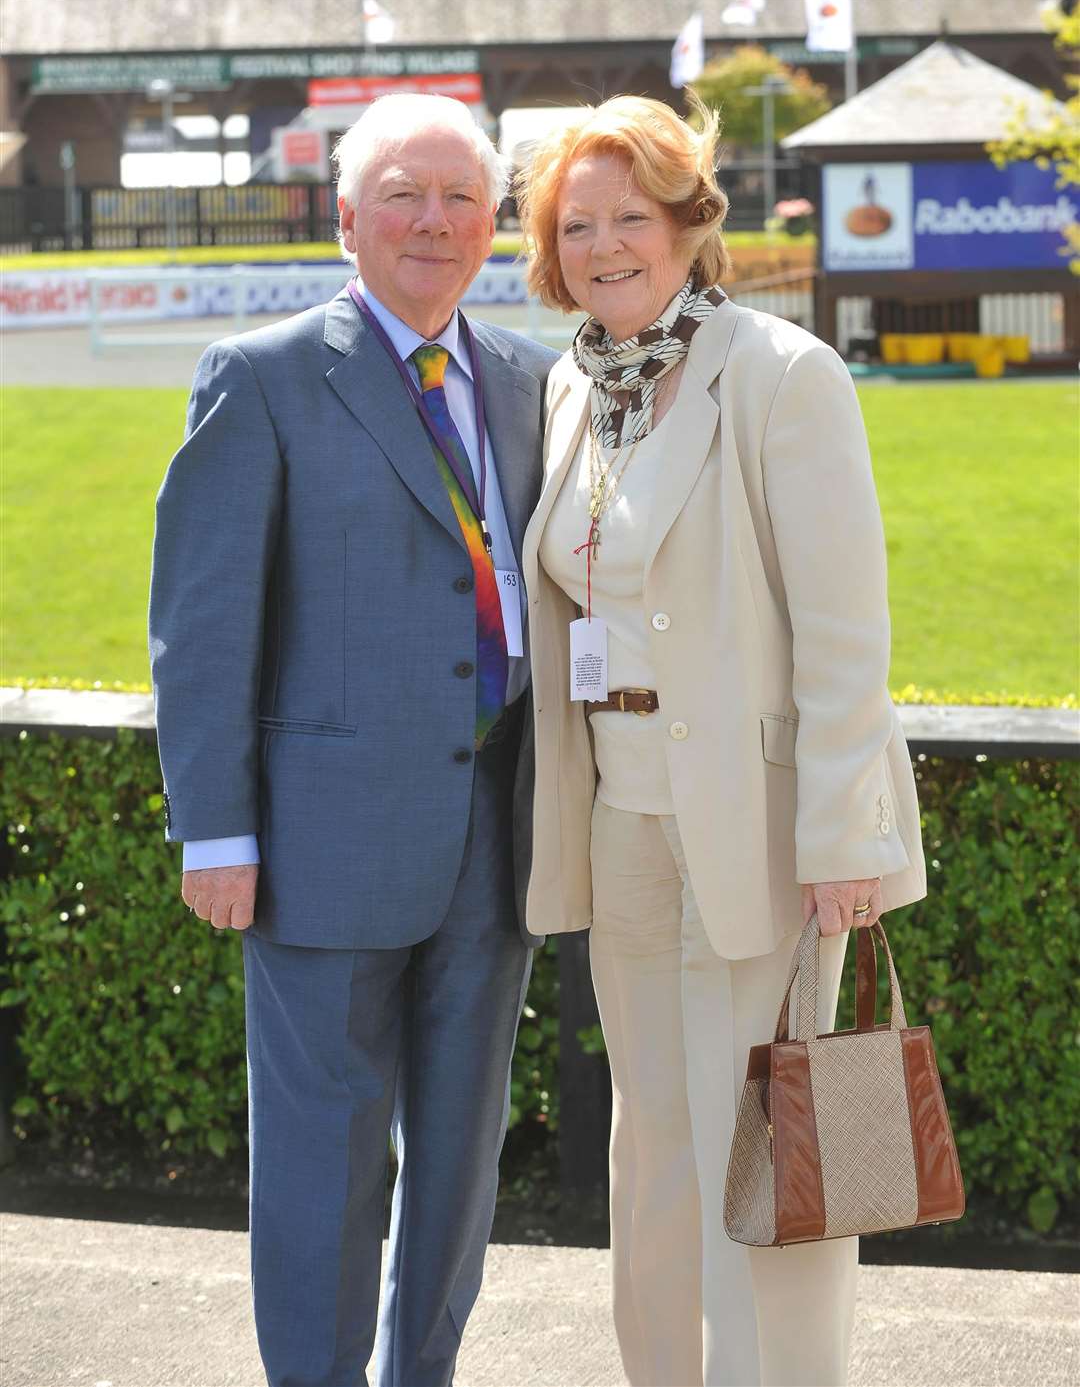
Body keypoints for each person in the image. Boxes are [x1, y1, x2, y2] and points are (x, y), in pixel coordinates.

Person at [516, 95, 927, 1387]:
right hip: (625, 824)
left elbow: (846, 634)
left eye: (630, 215)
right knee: (653, 1148)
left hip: (759, 826)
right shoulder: (572, 389)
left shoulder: (781, 373)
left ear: (691, 221)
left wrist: (846, 841)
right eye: (576, 224)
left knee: (772, 1142)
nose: (604, 245)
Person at [149, 94, 557, 1387]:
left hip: (498, 840)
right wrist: (215, 829)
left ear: (493, 226)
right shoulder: (263, 378)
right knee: (324, 1162)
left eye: (460, 200)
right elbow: (203, 626)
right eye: (403, 194)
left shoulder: (531, 381)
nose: (432, 222)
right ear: (346, 218)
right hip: (324, 846)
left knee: (459, 1159)